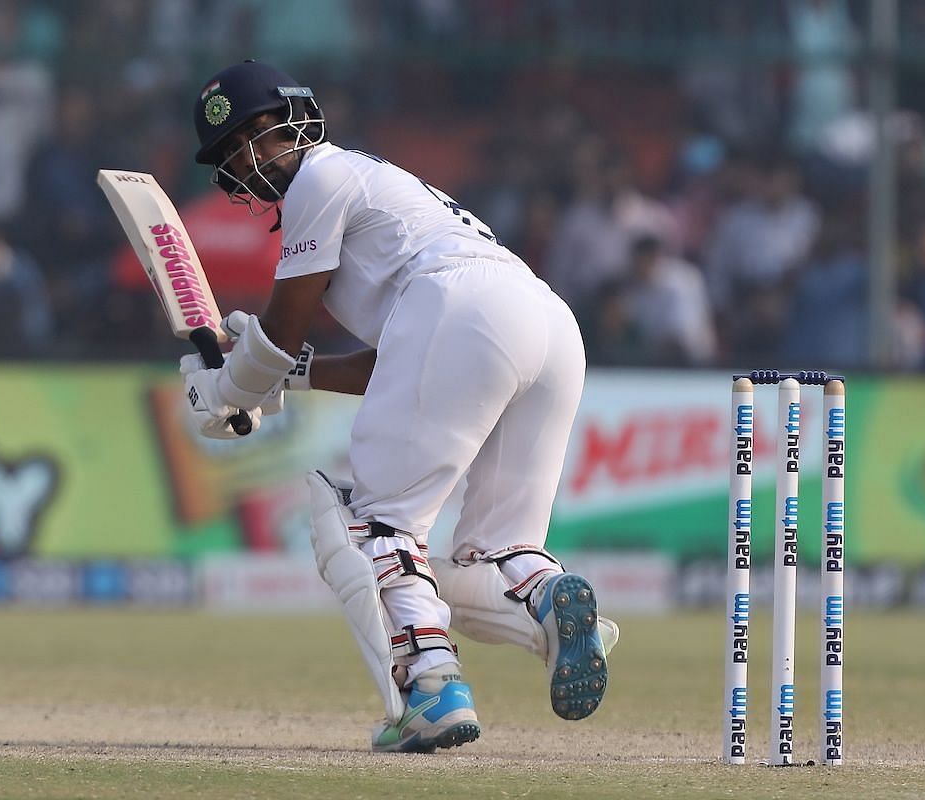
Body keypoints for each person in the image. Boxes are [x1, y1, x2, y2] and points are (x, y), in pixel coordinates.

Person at [180, 60, 619, 754]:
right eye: (236, 149)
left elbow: (281, 333)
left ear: (299, 118)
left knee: (376, 527)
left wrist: (226, 390)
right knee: (495, 553)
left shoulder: (322, 177)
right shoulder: (381, 188)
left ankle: (434, 690)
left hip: (463, 311)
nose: (253, 155)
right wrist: (273, 376)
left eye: (260, 133)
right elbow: (396, 364)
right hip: (545, 325)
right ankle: (553, 609)